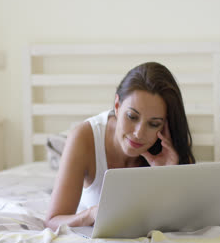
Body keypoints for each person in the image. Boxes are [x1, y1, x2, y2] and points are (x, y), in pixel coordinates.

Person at [44, 62, 196, 231]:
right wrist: (92, 214)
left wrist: (167, 174)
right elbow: (52, 221)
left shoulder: (171, 150)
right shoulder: (84, 137)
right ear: (117, 106)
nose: (139, 133)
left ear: (165, 126)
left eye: (153, 124)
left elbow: (187, 221)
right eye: (132, 116)